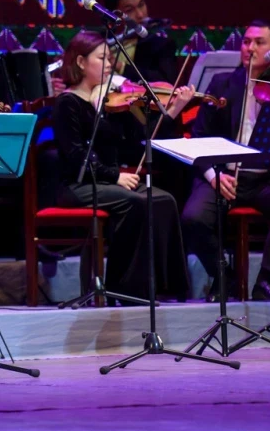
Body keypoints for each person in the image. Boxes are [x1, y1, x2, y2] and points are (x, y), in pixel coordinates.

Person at [51, 30, 193, 302]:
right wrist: (115, 176)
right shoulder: (67, 103)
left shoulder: (113, 100)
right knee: (135, 202)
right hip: (78, 185)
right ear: (81, 62)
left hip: (107, 182)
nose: (110, 64)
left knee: (164, 199)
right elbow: (76, 156)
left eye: (110, 59)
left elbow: (141, 138)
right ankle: (123, 288)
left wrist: (174, 110)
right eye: (102, 58)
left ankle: (167, 287)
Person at [180, 21, 270, 302]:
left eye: (259, 43)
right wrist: (214, 176)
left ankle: (265, 281)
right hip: (224, 176)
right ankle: (225, 277)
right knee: (193, 218)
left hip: (267, 178)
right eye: (246, 42)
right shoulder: (222, 84)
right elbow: (199, 137)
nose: (250, 48)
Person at [102, 0, 179, 84]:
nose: (140, 15)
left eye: (141, 5)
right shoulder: (99, 42)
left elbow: (166, 82)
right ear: (113, 15)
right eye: (129, 10)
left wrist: (121, 66)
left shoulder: (161, 45)